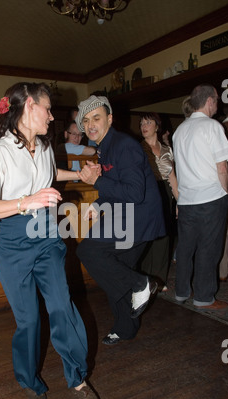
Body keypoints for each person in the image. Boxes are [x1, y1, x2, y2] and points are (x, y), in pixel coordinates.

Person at [0, 82, 101, 399]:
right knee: (29, 320)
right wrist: (26, 201)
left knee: (62, 305)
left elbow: (48, 174)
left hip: (46, 235)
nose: (51, 115)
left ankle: (78, 379)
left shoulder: (44, 146)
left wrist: (79, 175)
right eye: (47, 108)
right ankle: (28, 379)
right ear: (29, 106)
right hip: (13, 242)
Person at [75, 95, 165, 345]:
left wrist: (96, 182)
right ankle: (126, 327)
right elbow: (117, 187)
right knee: (113, 274)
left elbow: (135, 193)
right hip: (129, 215)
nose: (91, 124)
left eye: (96, 118)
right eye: (86, 120)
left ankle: (141, 283)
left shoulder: (123, 145)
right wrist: (98, 203)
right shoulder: (105, 147)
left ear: (110, 119)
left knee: (89, 252)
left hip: (138, 218)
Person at [173, 84, 228, 312]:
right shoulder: (212, 127)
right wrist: (226, 191)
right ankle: (204, 297)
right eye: (216, 100)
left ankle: (181, 292)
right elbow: (222, 168)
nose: (217, 104)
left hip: (187, 200)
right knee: (209, 248)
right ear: (209, 101)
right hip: (210, 199)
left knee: (186, 248)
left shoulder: (180, 130)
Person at [139, 112, 178, 291]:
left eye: (148, 122)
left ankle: (160, 279)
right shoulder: (138, 148)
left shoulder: (166, 149)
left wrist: (179, 201)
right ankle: (145, 277)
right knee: (148, 236)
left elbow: (172, 177)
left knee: (163, 236)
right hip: (148, 193)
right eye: (141, 123)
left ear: (156, 126)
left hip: (166, 192)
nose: (144, 126)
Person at [219, 104, 228, 281]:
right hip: (225, 186)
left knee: (224, 233)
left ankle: (222, 271)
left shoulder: (219, 128)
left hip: (221, 190)